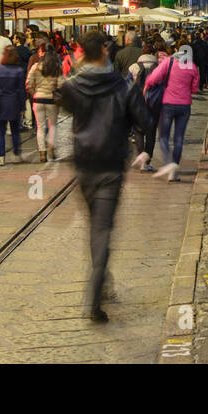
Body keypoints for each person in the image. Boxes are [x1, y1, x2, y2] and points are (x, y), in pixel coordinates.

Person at [57, 31, 150, 323]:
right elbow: (145, 122)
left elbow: (66, 109)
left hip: (83, 165)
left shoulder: (72, 85)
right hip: (110, 165)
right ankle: (94, 297)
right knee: (102, 230)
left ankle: (103, 279)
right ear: (107, 51)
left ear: (83, 53)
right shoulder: (124, 87)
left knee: (95, 227)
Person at [143, 44, 199, 182]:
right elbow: (194, 89)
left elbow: (153, 78)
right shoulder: (192, 67)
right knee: (179, 139)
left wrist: (146, 86)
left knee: (163, 137)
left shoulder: (169, 62)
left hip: (168, 104)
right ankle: (174, 171)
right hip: (185, 106)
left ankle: (169, 164)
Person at [0, 45, 27, 165]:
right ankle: (16, 155)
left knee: (0, 131)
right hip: (14, 102)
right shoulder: (19, 71)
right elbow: (21, 90)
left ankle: (1, 157)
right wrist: (23, 106)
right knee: (15, 131)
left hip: (0, 103)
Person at [26, 48, 63, 162]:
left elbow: (28, 84)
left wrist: (35, 94)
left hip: (38, 99)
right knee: (53, 126)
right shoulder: (56, 67)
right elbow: (61, 85)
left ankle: (42, 153)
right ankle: (51, 147)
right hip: (51, 100)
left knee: (40, 127)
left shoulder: (35, 67)